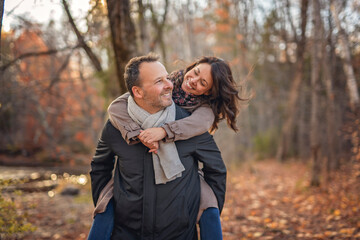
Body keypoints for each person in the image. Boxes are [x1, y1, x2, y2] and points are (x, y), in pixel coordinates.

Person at [89, 54, 227, 240]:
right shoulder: (118, 125)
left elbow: (216, 169)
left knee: (209, 207)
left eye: (203, 83)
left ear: (208, 92)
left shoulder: (195, 118)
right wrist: (112, 205)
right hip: (127, 232)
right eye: (195, 73)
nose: (193, 81)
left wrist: (194, 210)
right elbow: (99, 166)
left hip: (179, 232)